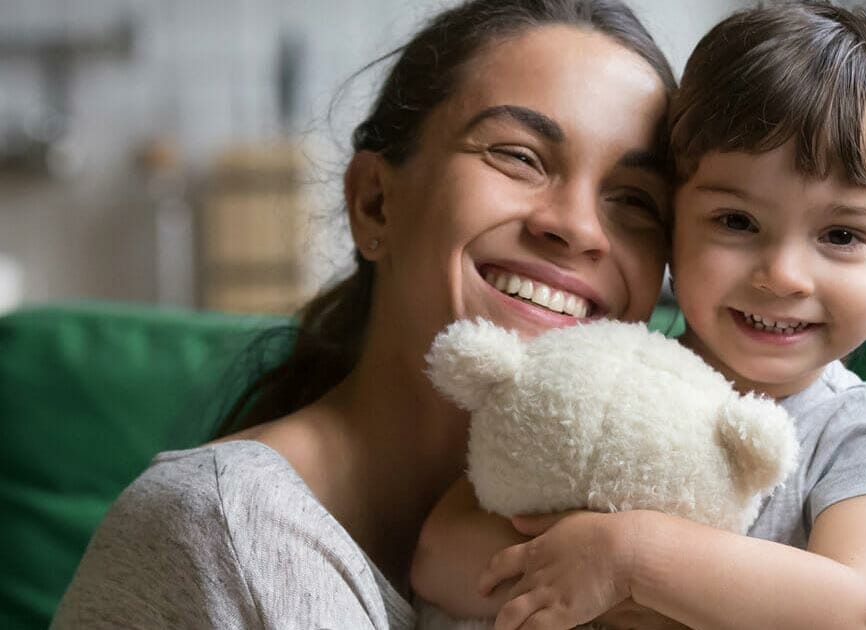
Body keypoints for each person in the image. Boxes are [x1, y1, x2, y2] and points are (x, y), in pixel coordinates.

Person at [49, 1, 677, 627]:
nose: (577, 228)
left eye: (635, 200)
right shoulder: (220, 527)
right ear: (375, 203)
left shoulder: (649, 551)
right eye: (519, 156)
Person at [414, 2, 866, 629]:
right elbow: (441, 555)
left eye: (842, 235)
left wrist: (630, 562)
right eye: (736, 222)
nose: (784, 276)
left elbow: (857, 610)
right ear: (672, 228)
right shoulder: (598, 371)